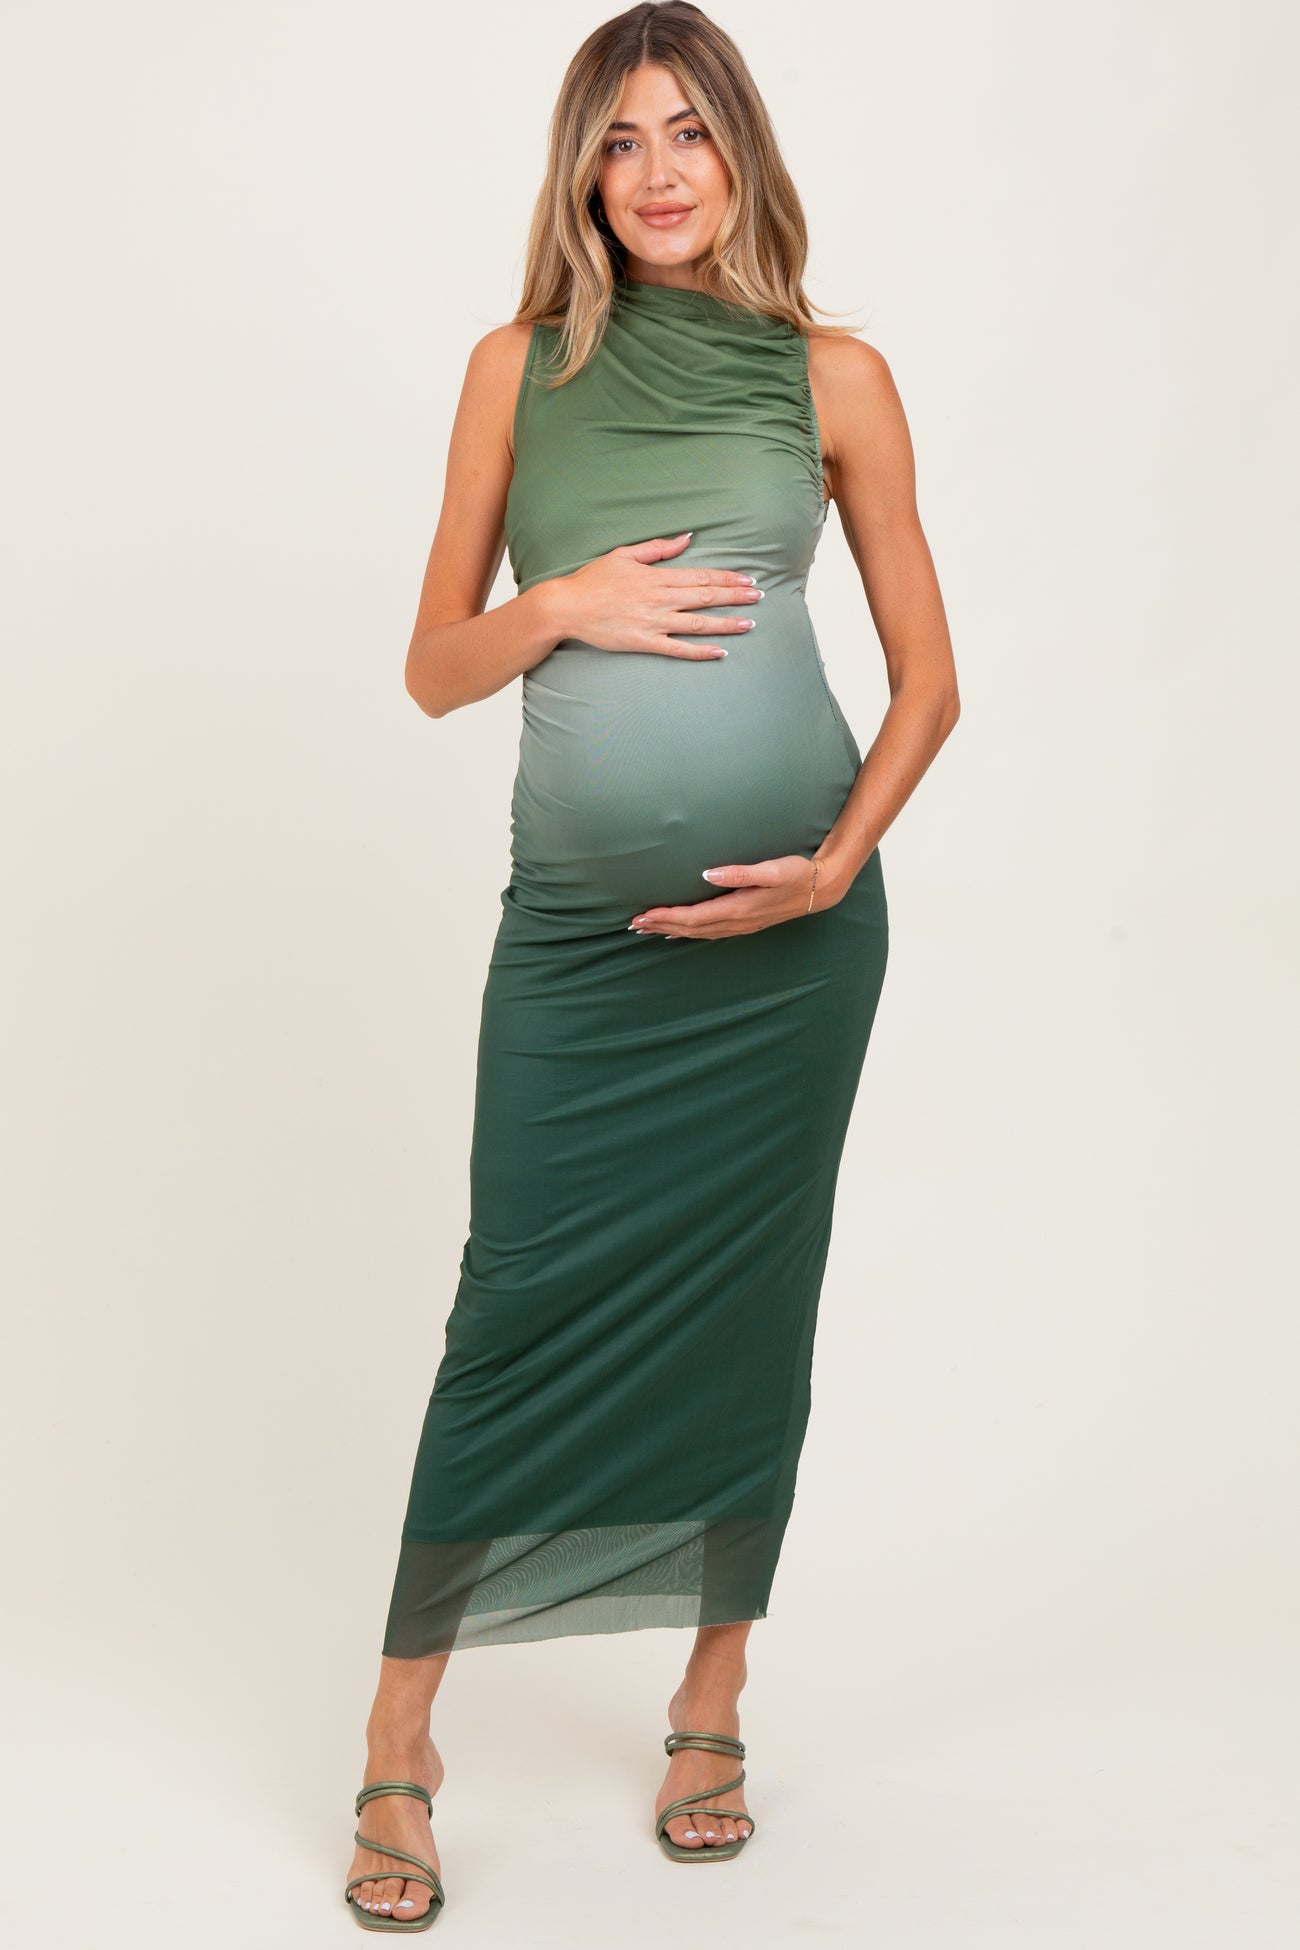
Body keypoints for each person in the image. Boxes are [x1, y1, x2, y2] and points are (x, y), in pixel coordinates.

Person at [343, 1, 959, 1929]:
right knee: (511, 1303)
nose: (660, 170)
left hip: (791, 964)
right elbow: (432, 668)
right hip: (578, 952)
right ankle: (401, 1729)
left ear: (741, 153)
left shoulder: (835, 375)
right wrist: (563, 601)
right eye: (621, 140)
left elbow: (932, 683)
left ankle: (712, 1699)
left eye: (690, 131)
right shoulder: (513, 370)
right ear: (581, 174)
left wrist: (830, 869)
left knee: (750, 1312)